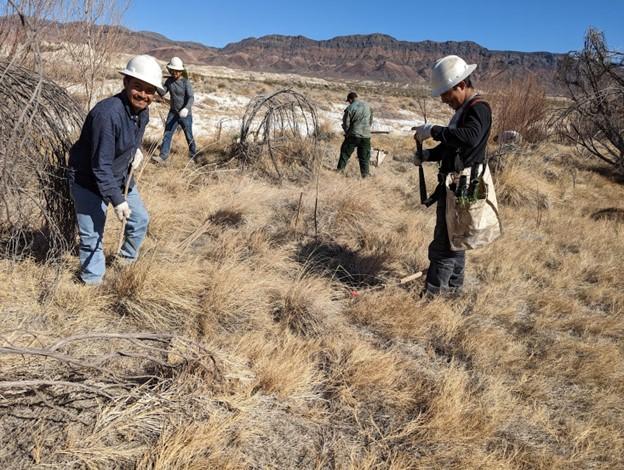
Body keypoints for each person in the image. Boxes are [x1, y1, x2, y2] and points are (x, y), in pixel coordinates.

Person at [68, 55, 163, 285]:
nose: (143, 95)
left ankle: (125, 262)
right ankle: (92, 282)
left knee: (139, 220)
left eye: (149, 90)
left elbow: (131, 138)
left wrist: (135, 151)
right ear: (126, 82)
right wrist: (118, 200)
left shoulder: (143, 111)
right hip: (88, 181)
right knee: (93, 236)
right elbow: (100, 167)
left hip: (120, 176)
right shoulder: (107, 114)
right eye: (138, 87)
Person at [413, 55, 492, 296]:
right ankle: (454, 292)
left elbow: (469, 137)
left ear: (461, 84)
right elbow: (454, 146)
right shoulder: (464, 111)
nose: (445, 100)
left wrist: (434, 130)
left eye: (447, 94)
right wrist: (428, 155)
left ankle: (434, 295)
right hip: (457, 185)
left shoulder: (478, 108)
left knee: (445, 243)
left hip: (463, 186)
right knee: (456, 240)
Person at [152, 56, 196, 163]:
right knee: (167, 133)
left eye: (177, 72)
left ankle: (193, 156)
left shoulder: (185, 83)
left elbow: (191, 97)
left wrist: (186, 108)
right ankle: (163, 156)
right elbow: (162, 93)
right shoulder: (169, 81)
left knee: (189, 136)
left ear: (181, 71)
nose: (175, 74)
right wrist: (156, 83)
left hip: (186, 115)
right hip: (173, 113)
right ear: (170, 70)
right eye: (173, 71)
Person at [337, 91, 373, 177]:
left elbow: (346, 124)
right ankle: (365, 175)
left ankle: (339, 171)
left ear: (350, 99)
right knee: (364, 157)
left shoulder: (350, 108)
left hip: (353, 135)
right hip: (366, 136)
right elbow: (370, 121)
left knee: (345, 153)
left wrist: (347, 132)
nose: (348, 102)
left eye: (348, 101)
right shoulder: (368, 106)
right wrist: (366, 129)